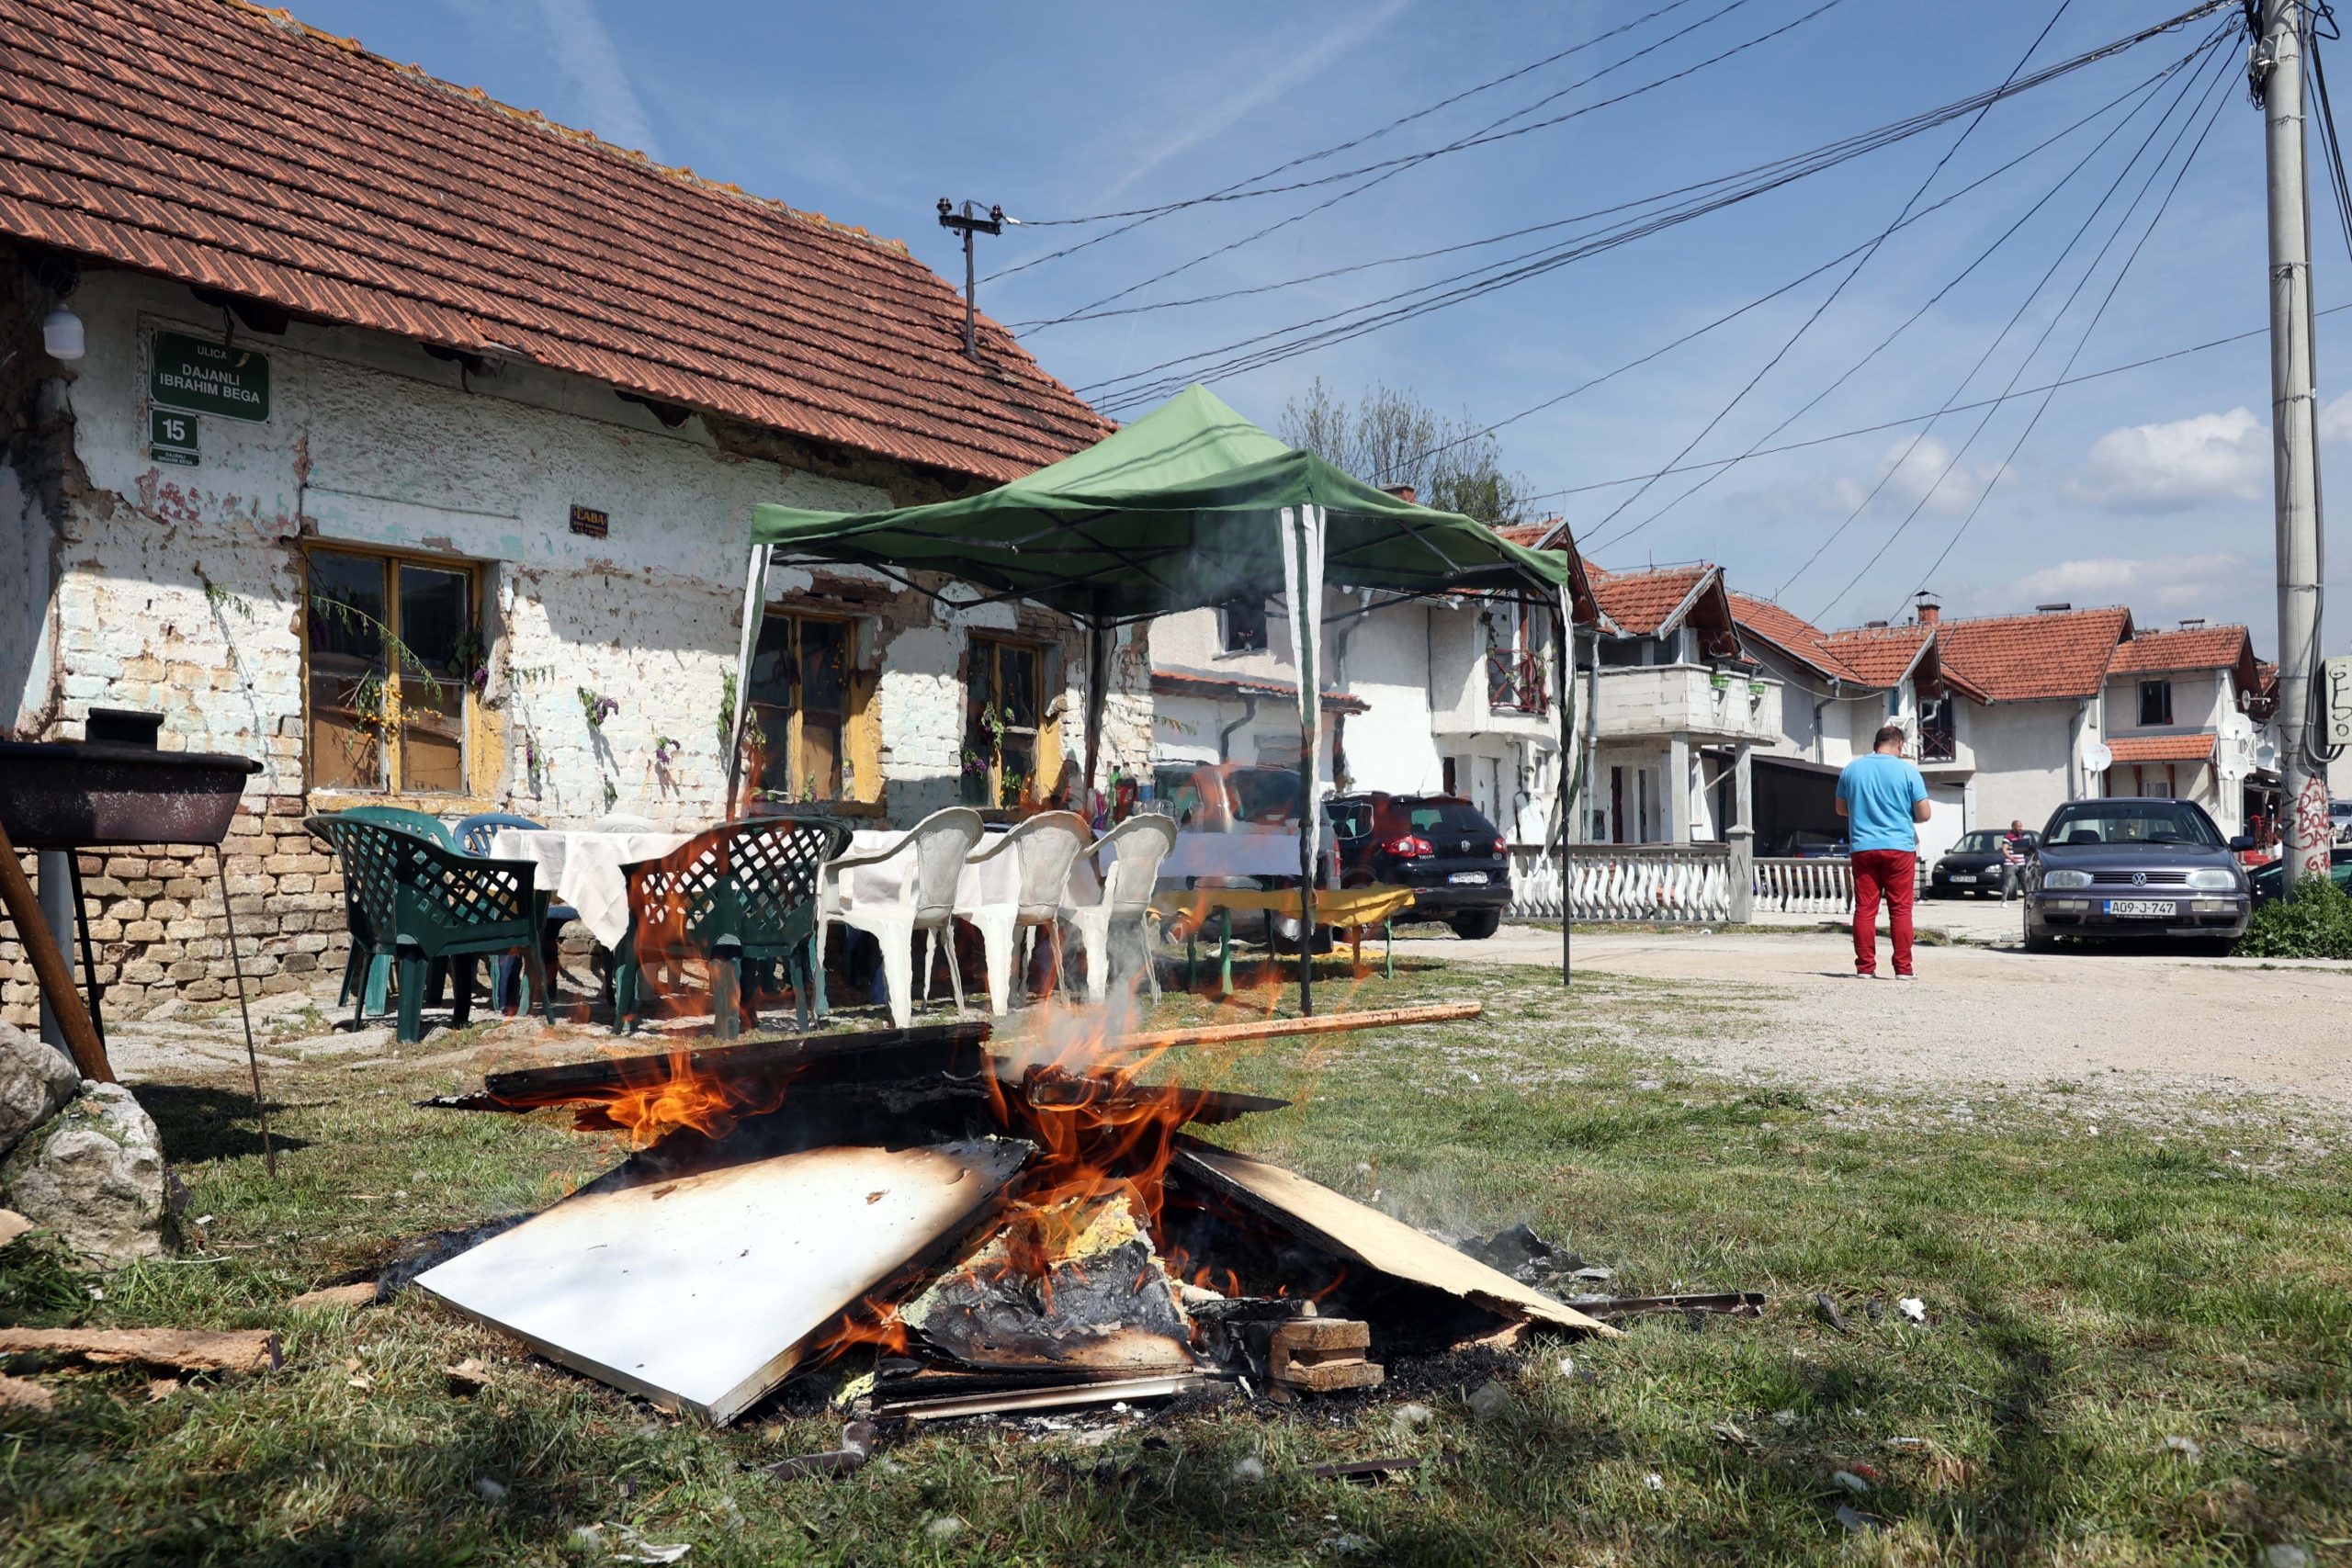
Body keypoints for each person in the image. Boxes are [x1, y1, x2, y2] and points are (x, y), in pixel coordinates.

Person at [1836, 724, 1931, 977]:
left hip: (1863, 846)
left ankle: (1865, 968)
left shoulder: (1851, 769)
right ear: (1900, 744)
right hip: (1899, 847)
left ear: (1876, 743)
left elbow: (1841, 809)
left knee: (1865, 908)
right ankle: (1903, 969)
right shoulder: (1908, 771)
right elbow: (1924, 814)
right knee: (1900, 909)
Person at [1998, 818, 2031, 904]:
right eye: (2018, 826)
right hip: (2010, 863)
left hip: (2021, 863)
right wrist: (2011, 858)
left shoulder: (2021, 836)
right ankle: (2003, 901)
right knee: (2008, 882)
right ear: (2013, 827)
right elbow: (2004, 850)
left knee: (2024, 882)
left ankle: (2027, 901)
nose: (2020, 828)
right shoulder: (2008, 837)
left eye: (2021, 826)